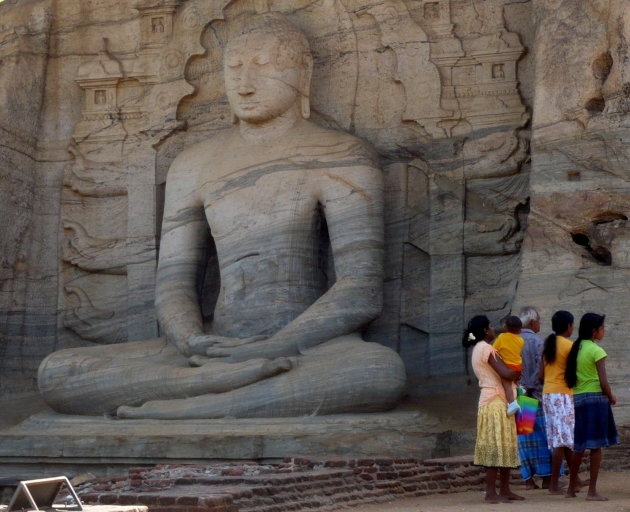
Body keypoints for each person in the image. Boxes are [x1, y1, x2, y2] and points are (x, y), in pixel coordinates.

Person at [37, 12, 406, 418]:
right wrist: (191, 339)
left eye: (264, 68)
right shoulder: (193, 164)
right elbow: (174, 284)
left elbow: (360, 290)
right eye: (233, 69)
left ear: (304, 72)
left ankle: (184, 407)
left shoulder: (342, 155)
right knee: (58, 373)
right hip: (213, 349)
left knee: (379, 371)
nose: (244, 84)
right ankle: (209, 386)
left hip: (307, 347)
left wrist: (274, 346)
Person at [464, 315, 524, 504]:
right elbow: (505, 373)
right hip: (495, 401)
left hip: (495, 400)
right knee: (496, 446)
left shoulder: (478, 348)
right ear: (484, 331)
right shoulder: (486, 349)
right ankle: (492, 492)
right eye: (490, 327)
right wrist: (518, 371)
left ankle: (504, 490)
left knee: (504, 445)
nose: (493, 330)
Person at [565, 313, 619, 500]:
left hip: (579, 398)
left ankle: (571, 489)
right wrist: (611, 396)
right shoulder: (597, 351)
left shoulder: (576, 348)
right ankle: (592, 491)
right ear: (594, 330)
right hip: (596, 399)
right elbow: (603, 381)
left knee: (579, 445)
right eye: (602, 327)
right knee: (596, 446)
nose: (603, 330)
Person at [516, 306, 553, 490]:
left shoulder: (513, 341)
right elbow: (541, 370)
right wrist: (531, 387)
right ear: (532, 322)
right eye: (539, 320)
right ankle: (547, 477)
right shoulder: (539, 342)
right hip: (538, 395)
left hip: (521, 396)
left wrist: (523, 389)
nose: (540, 323)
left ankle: (528, 479)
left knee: (525, 438)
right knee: (546, 436)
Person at [541, 310, 575, 494]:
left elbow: (541, 375)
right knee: (562, 441)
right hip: (562, 394)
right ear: (569, 326)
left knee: (563, 438)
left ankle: (574, 479)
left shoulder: (548, 344)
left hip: (548, 393)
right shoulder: (569, 346)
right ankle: (554, 485)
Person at [493, 315, 524, 415]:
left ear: (505, 327)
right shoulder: (521, 340)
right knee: (514, 382)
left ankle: (512, 404)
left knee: (507, 385)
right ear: (520, 330)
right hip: (518, 366)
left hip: (508, 366)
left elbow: (494, 349)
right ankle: (520, 388)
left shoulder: (502, 337)